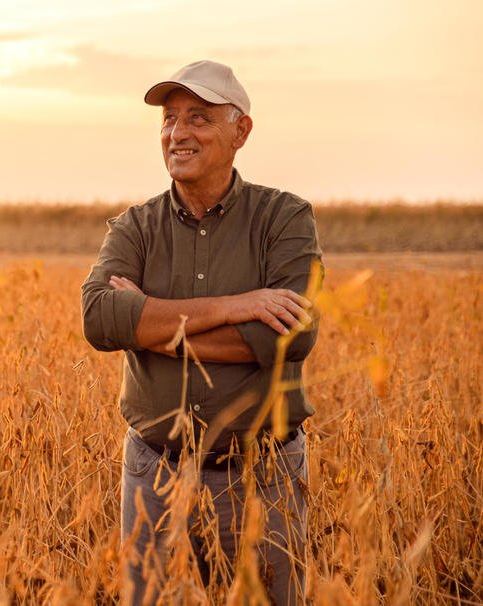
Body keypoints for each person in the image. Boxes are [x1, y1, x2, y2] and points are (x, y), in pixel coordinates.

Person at [81, 60, 322, 605]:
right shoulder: (134, 226)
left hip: (262, 474)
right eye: (169, 119)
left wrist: (147, 321)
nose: (177, 133)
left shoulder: (284, 219)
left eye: (198, 117)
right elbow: (99, 319)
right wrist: (240, 305)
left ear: (241, 131)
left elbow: (287, 340)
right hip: (155, 472)